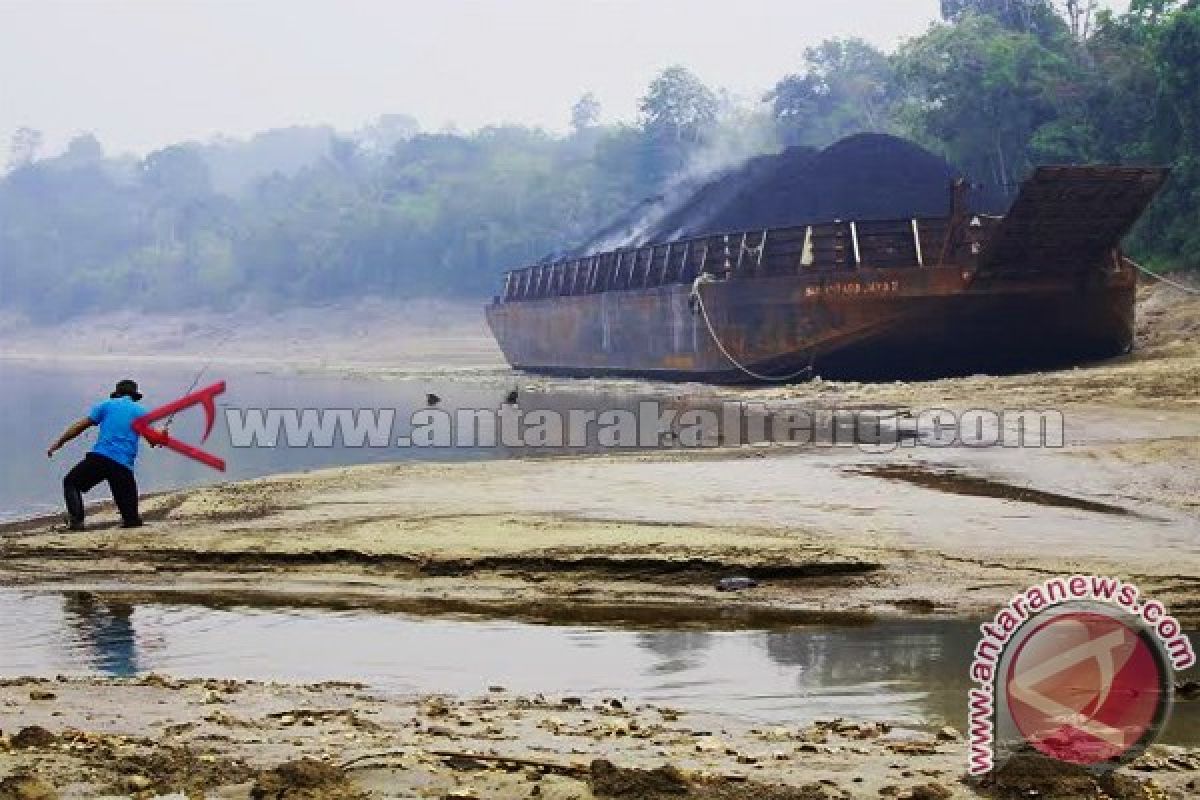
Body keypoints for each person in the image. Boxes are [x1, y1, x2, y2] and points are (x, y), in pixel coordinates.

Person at [47, 379, 159, 530]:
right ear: (134, 396)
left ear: (117, 393)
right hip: (123, 466)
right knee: (132, 521)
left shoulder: (106, 405)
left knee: (71, 483)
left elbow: (79, 427)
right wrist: (163, 436)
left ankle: (76, 522)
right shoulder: (141, 412)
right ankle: (129, 520)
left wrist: (59, 442)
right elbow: (153, 442)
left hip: (100, 459)